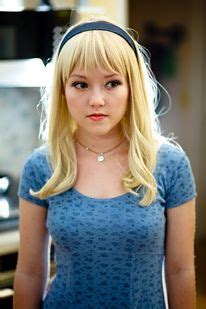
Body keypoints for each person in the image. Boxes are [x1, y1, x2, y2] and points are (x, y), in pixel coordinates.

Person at [13, 18, 196, 309]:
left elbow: (180, 271)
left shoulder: (170, 164)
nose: (96, 100)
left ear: (131, 88)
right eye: (80, 84)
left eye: (112, 83)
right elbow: (29, 272)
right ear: (63, 91)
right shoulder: (41, 166)